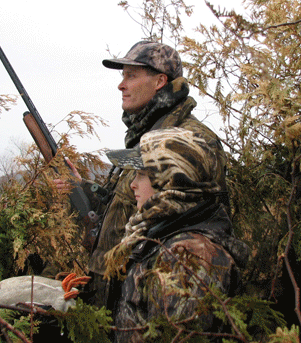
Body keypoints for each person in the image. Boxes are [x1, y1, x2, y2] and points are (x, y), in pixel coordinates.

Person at [55, 41, 229, 308]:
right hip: (113, 296)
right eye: (122, 75)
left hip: (151, 302)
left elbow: (188, 220)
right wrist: (82, 188)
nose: (121, 85)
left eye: (131, 76)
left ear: (160, 81)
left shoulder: (188, 140)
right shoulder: (146, 136)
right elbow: (135, 209)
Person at [102, 127, 248, 341]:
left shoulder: (188, 256)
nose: (133, 184)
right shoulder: (163, 235)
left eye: (142, 175)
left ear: (171, 180)